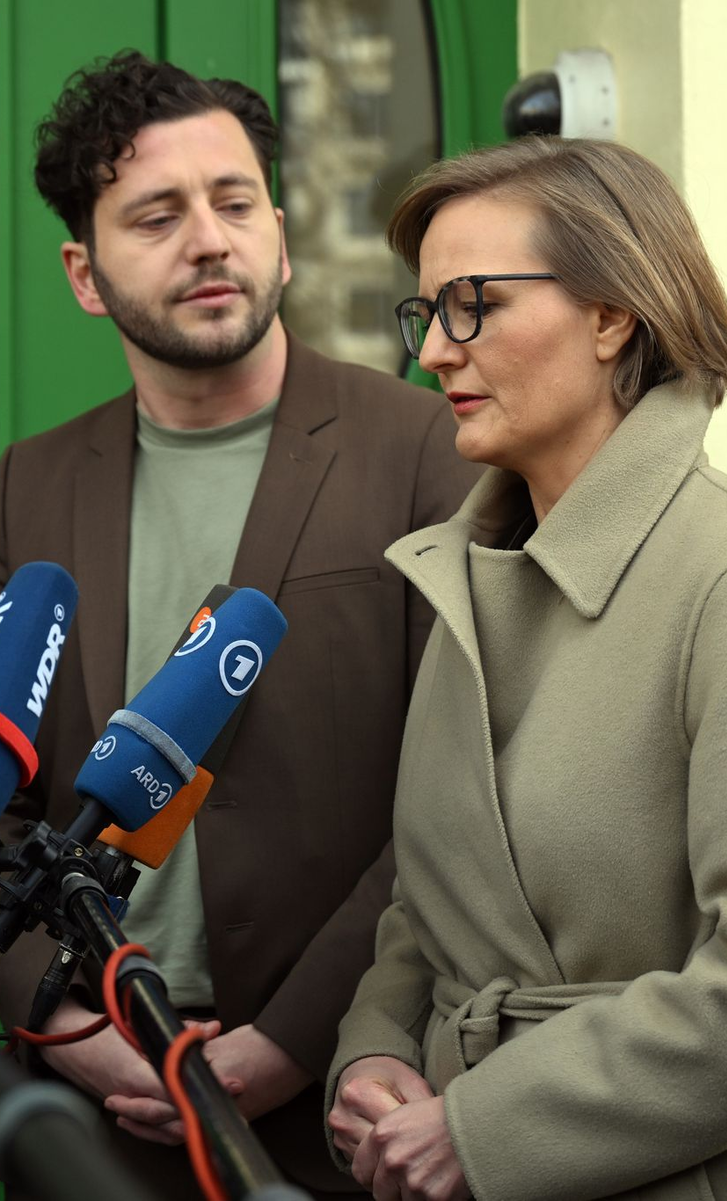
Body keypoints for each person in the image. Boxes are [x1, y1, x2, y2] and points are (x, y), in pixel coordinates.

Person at [0, 51, 477, 1198]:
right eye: (157, 216)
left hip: (349, 1100)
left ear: (279, 236)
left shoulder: (423, 449)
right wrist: (69, 1025)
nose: (207, 240)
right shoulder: (33, 484)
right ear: (85, 275)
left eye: (235, 203)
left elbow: (460, 797)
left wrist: (289, 1041)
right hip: (89, 1109)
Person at [325, 135, 727, 1201]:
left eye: (475, 305)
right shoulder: (470, 572)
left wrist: (488, 1129)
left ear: (611, 315)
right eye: (426, 313)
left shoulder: (715, 577)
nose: (434, 352)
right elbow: (433, 907)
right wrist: (373, 1052)